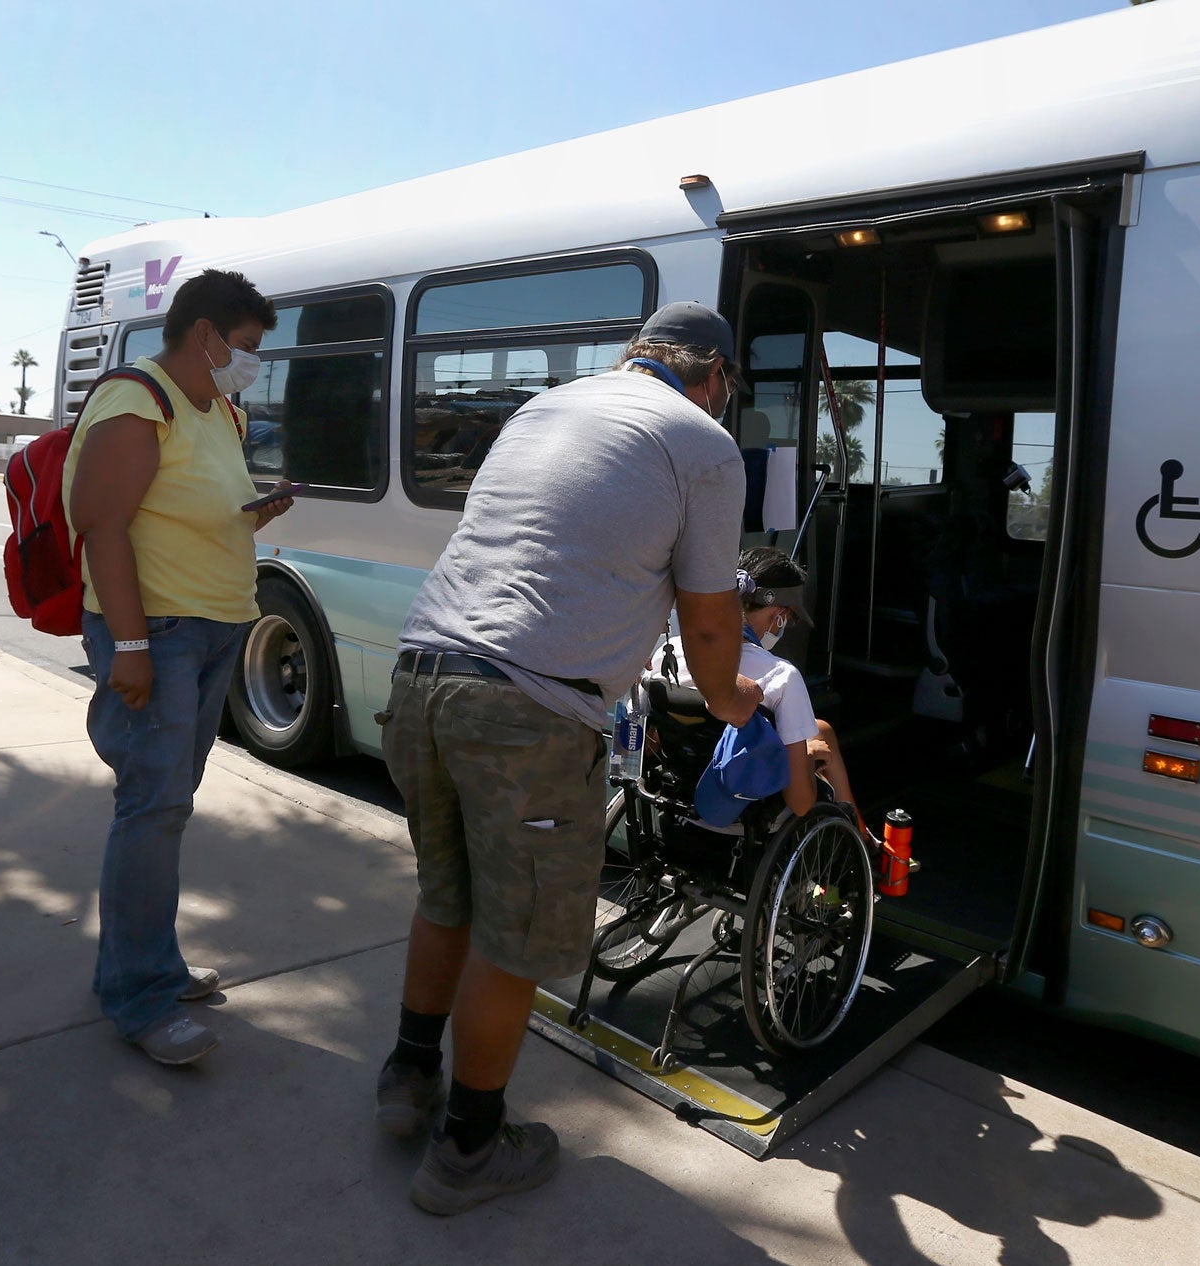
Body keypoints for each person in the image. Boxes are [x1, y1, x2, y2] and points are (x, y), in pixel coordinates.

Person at [378, 301, 763, 1215]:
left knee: (449, 897)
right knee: (514, 941)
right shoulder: (702, 445)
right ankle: (469, 1148)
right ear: (711, 374)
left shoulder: (545, 408)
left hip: (423, 675)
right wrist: (729, 700)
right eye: (729, 389)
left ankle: (406, 1080)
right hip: (528, 711)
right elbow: (710, 619)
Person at [64, 268, 293, 1067]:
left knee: (167, 806)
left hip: (213, 627)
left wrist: (255, 511)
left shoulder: (217, 408)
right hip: (158, 633)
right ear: (206, 334)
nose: (252, 362)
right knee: (152, 808)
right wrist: (128, 645)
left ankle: (148, 964)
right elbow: (101, 526)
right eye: (249, 346)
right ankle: (137, 997)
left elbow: (187, 507)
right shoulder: (137, 399)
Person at [652, 545, 872, 828]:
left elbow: (653, 743)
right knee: (815, 752)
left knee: (822, 729)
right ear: (778, 615)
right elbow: (801, 803)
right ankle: (863, 838)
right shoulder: (782, 677)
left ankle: (864, 835)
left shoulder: (669, 653)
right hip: (743, 807)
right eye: (789, 621)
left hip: (677, 793)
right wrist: (804, 758)